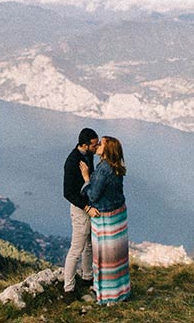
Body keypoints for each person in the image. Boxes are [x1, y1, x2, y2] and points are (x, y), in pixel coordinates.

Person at [80, 135, 130, 305]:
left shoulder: (104, 169)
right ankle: (121, 291)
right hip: (119, 214)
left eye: (101, 144)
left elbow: (93, 196)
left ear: (107, 150)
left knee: (105, 256)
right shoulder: (116, 167)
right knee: (118, 255)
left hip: (106, 218)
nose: (98, 145)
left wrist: (86, 179)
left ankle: (107, 295)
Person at [62, 127, 99, 296]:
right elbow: (68, 193)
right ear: (84, 145)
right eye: (94, 145)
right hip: (80, 209)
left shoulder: (88, 155)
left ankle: (87, 277)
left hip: (89, 205)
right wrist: (87, 208)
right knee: (76, 248)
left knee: (89, 245)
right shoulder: (72, 162)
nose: (97, 147)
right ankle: (68, 288)